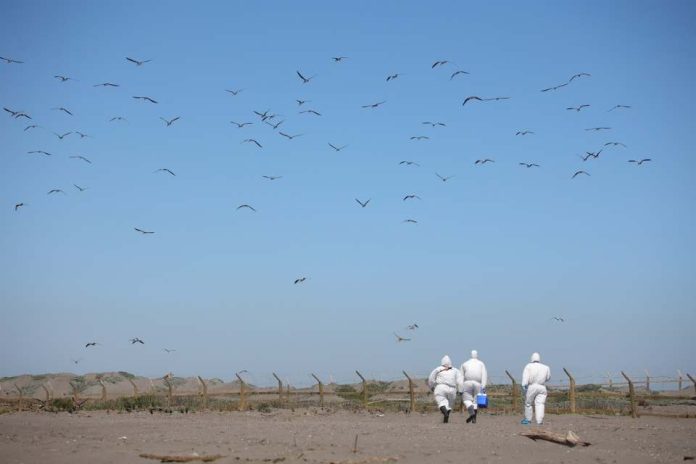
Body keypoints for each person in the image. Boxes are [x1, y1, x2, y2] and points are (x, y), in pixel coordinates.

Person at [428, 355, 463, 423]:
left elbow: (431, 379)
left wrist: (431, 387)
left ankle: (445, 414)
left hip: (441, 387)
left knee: (441, 402)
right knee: (450, 404)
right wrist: (460, 390)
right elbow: (460, 381)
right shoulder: (456, 370)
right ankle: (446, 418)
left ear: (442, 362)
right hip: (452, 389)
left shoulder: (438, 369)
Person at [521, 352, 551, 425]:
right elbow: (548, 377)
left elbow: (525, 377)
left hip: (532, 386)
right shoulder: (546, 367)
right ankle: (539, 421)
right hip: (542, 387)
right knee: (540, 404)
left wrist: (524, 385)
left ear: (532, 358)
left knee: (528, 403)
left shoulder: (529, 366)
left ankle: (528, 419)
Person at [460, 349, 488, 424]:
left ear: (470, 355)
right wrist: (483, 386)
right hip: (478, 383)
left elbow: (461, 376)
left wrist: (460, 388)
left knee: (466, 399)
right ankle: (474, 419)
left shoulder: (464, 364)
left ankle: (471, 412)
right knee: (476, 401)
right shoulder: (481, 363)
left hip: (467, 383)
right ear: (477, 355)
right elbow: (484, 375)